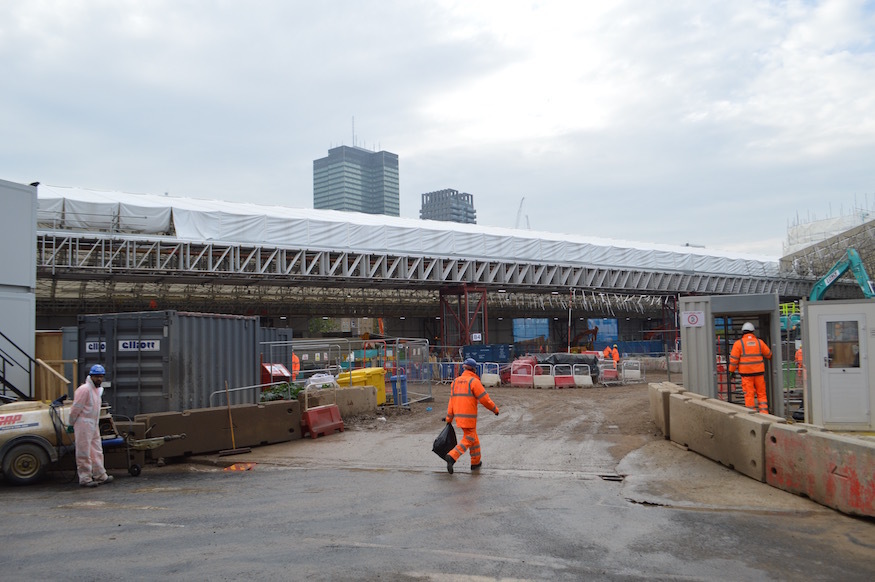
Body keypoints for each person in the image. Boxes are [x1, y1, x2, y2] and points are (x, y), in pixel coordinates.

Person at [444, 358, 499, 474]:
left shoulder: (455, 382)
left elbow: (451, 402)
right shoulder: (474, 382)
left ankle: (475, 462)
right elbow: (485, 399)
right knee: (469, 438)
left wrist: (449, 418)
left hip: (459, 416)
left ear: (464, 368)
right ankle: (452, 456)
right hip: (469, 417)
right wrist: (495, 409)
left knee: (473, 439)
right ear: (474, 369)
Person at [68, 364, 114, 487]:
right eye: (97, 377)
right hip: (83, 423)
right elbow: (75, 408)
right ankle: (85, 478)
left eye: (101, 377)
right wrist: (71, 423)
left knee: (96, 450)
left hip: (93, 423)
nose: (99, 379)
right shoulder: (84, 390)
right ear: (91, 376)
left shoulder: (96, 390)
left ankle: (100, 475)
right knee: (84, 451)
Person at [729, 322, 772, 414]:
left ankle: (752, 415)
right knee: (762, 394)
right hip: (759, 373)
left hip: (746, 375)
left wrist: (731, 372)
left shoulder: (738, 344)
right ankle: (764, 414)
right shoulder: (759, 342)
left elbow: (733, 360)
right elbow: (769, 354)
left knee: (749, 395)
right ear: (753, 332)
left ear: (743, 332)